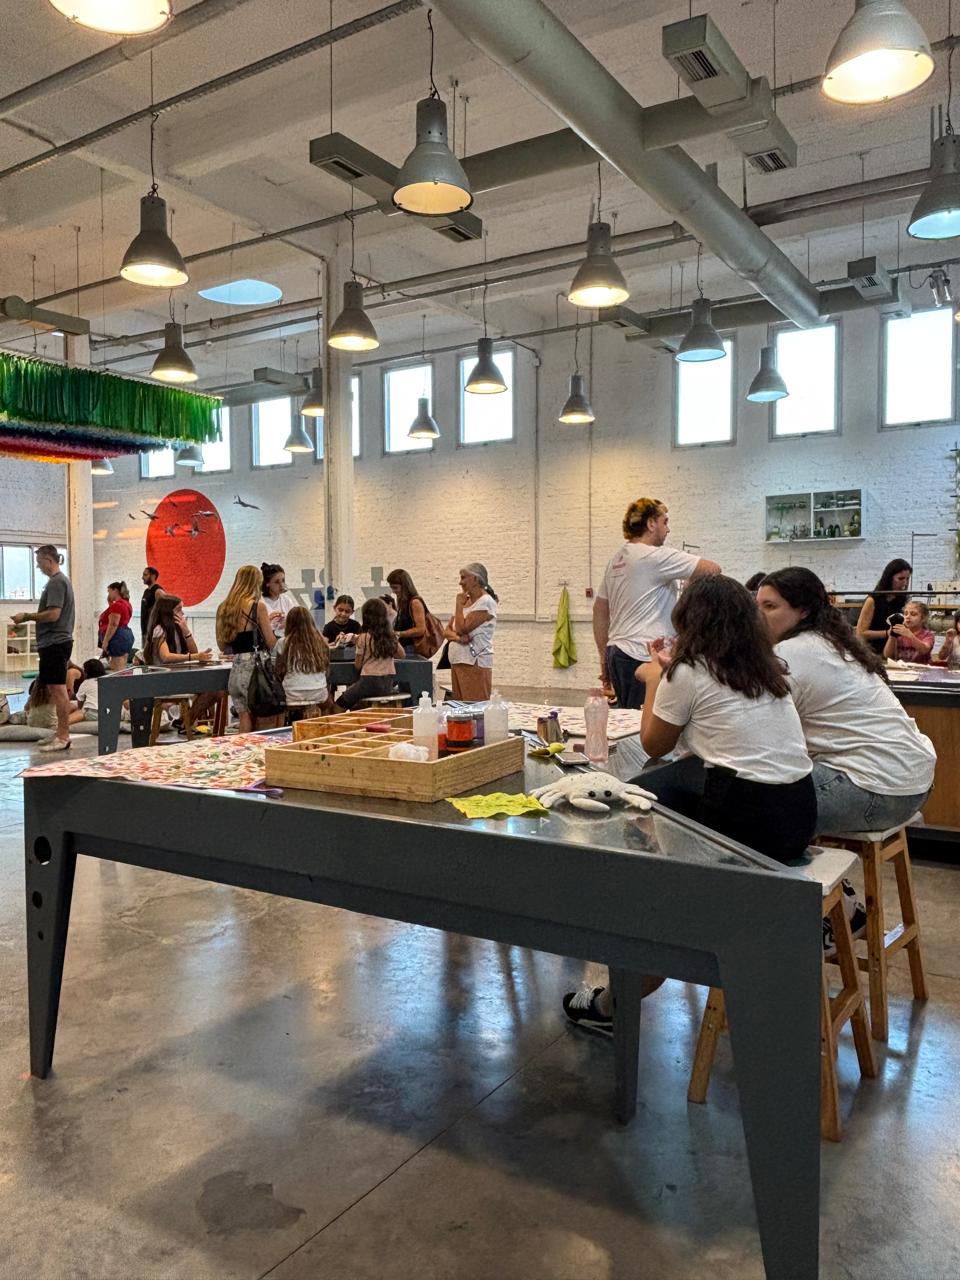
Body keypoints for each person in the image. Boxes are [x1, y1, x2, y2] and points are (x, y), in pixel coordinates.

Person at [563, 575, 816, 1040]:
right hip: (797, 814)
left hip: (746, 821)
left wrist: (655, 678)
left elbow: (654, 743)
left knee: (639, 831)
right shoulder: (767, 670)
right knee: (662, 796)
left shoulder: (690, 671)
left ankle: (618, 990)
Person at [757, 568, 935, 840]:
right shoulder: (833, 643)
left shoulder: (789, 653)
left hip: (876, 791)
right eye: (757, 606)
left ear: (803, 611)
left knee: (743, 807)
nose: (758, 615)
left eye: (770, 606)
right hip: (913, 784)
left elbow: (756, 729)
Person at [593, 497, 720, 709]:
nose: (668, 529)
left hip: (618, 653)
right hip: (642, 654)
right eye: (665, 522)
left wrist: (603, 656)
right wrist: (688, 592)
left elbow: (599, 611)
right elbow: (713, 569)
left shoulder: (616, 560)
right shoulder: (654, 556)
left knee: (628, 717)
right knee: (646, 719)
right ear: (651, 524)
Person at [10, 545, 75, 751]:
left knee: (59, 690)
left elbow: (54, 614)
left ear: (49, 560)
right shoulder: (57, 582)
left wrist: (26, 617)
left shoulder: (57, 582)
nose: (38, 567)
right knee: (54, 689)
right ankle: (60, 732)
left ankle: (63, 736)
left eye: (39, 563)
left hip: (56, 642)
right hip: (53, 643)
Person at [216, 564, 277, 733]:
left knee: (244, 715)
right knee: (262, 716)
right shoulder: (257, 606)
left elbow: (222, 645)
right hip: (255, 671)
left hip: (236, 670)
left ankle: (243, 747)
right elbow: (271, 642)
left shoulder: (224, 608)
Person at [336, 597, 404, 710]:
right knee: (357, 705)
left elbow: (358, 665)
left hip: (368, 681)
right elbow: (401, 655)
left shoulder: (363, 638)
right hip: (388, 682)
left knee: (340, 703)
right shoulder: (390, 636)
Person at [445, 563, 498, 701]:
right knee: (460, 708)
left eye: (463, 578)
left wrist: (458, 605)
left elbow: (461, 628)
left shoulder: (485, 602)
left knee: (473, 707)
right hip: (458, 660)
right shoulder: (466, 601)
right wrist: (458, 638)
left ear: (475, 579)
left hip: (475, 662)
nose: (460, 582)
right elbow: (447, 631)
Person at [274, 606, 332, 718]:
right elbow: (326, 670)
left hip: (292, 694)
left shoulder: (283, 642)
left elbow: (279, 670)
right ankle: (323, 725)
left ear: (289, 623)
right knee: (328, 702)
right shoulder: (322, 642)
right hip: (318, 692)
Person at [856, 558, 912, 654]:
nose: (905, 583)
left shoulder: (904, 599)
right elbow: (861, 633)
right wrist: (887, 633)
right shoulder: (872, 600)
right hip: (873, 651)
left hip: (895, 651)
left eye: (907, 579)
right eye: (901, 579)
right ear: (889, 578)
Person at [144, 595, 212, 665]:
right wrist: (194, 657)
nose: (182, 613)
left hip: (177, 669)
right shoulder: (159, 629)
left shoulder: (178, 627)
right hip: (162, 670)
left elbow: (194, 652)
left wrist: (187, 632)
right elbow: (166, 657)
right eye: (178, 610)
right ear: (167, 612)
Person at [386, 569, 428, 655]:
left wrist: (399, 634)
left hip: (412, 647)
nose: (393, 591)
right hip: (404, 647)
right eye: (392, 588)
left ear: (405, 586)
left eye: (395, 588)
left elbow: (420, 629)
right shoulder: (402, 602)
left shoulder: (415, 602)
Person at [97, 581, 136, 670]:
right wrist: (110, 603)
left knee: (116, 668)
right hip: (125, 635)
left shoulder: (117, 605)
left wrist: (105, 641)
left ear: (115, 590)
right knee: (122, 665)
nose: (108, 595)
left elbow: (113, 624)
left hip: (117, 637)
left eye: (109, 591)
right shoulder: (126, 603)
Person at [884, 599, 935, 664]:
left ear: (923, 618)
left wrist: (910, 635)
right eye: (905, 614)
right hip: (902, 667)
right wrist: (892, 636)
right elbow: (887, 655)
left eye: (913, 614)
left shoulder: (928, 634)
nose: (908, 617)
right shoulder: (899, 633)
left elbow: (924, 650)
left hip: (922, 668)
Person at [261, 562, 299, 638]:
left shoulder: (286, 599)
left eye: (283, 581)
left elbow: (296, 619)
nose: (281, 585)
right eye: (277, 582)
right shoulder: (261, 602)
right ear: (267, 584)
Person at [69, 658, 106, 724]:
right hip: (108, 712)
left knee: (79, 712)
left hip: (93, 712)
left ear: (86, 673)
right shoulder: (108, 681)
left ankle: (60, 723)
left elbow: (80, 705)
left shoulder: (86, 683)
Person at [140, 566, 168, 647]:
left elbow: (165, 611)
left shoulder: (158, 592)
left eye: (145, 575)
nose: (142, 577)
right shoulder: (146, 591)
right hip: (145, 631)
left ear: (153, 576)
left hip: (154, 632)